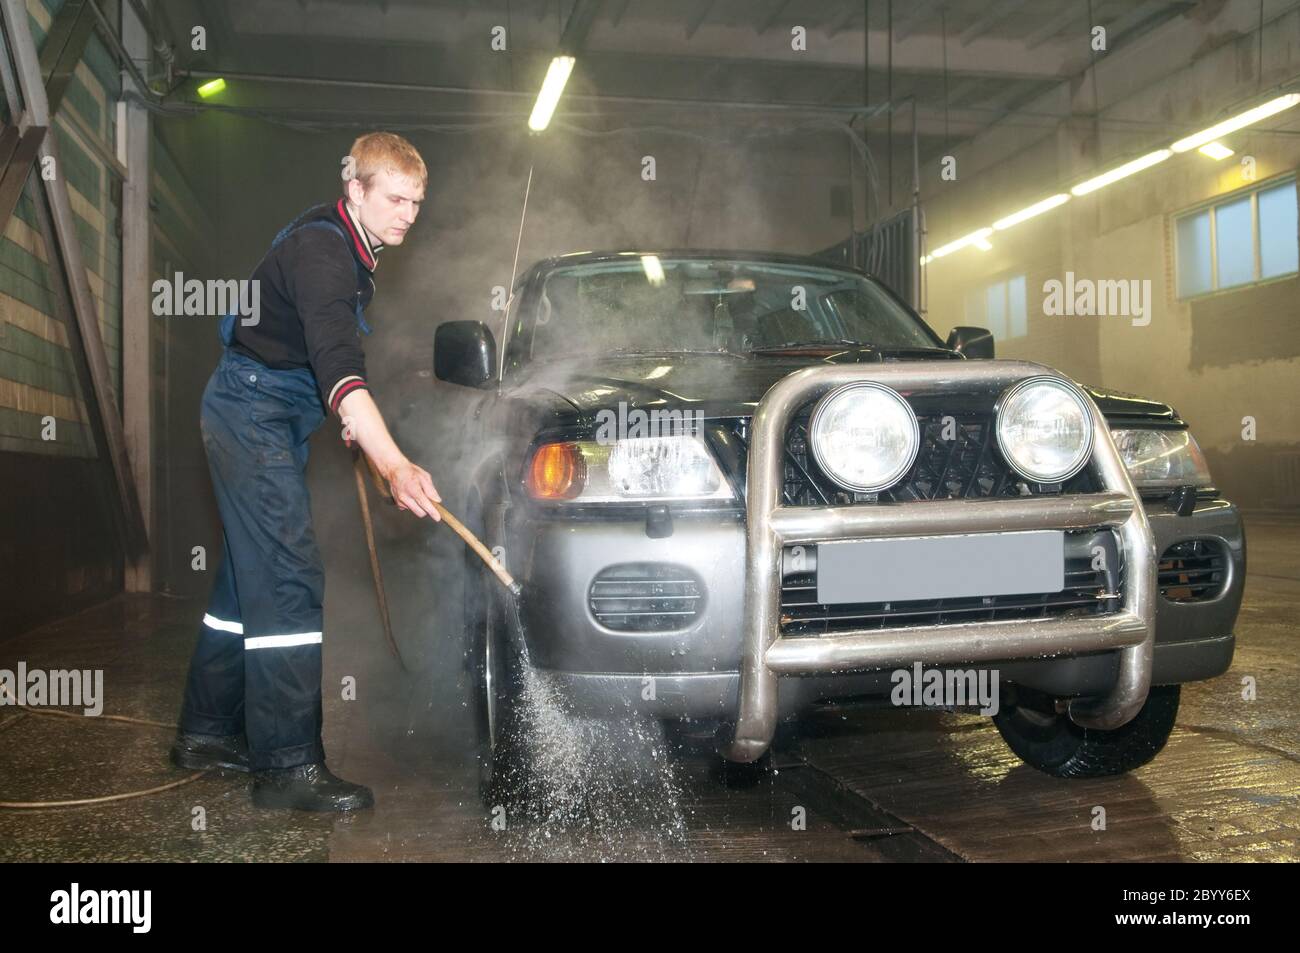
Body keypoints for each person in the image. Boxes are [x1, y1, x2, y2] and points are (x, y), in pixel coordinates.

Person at [169, 132, 443, 811]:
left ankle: (205, 732)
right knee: (289, 576)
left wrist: (358, 432)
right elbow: (340, 370)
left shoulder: (349, 246)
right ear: (356, 189)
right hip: (250, 413)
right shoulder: (324, 253)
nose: (407, 213)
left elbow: (331, 366)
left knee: (244, 583)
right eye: (395, 198)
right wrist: (396, 464)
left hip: (263, 412)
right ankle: (287, 766)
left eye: (417, 201)